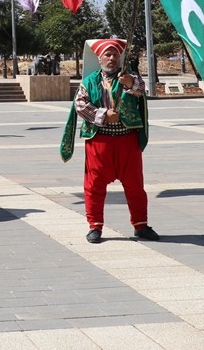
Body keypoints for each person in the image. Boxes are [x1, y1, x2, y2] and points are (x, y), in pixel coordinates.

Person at [60, 38, 157, 244]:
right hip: (99, 141)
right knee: (94, 185)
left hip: (127, 140)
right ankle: (95, 226)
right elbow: (80, 105)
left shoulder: (129, 77)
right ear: (100, 58)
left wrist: (130, 84)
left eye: (115, 55)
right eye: (108, 55)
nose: (112, 58)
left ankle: (141, 225)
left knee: (135, 185)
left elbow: (140, 91)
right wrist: (103, 115)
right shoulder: (89, 81)